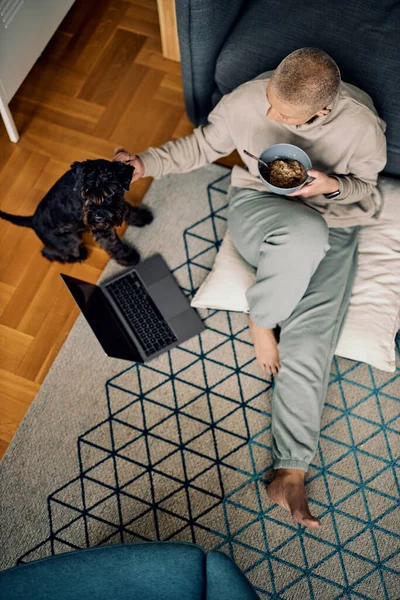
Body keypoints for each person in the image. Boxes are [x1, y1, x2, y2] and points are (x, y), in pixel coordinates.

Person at [114, 48, 387, 528]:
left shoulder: (362, 124)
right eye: (270, 102)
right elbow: (200, 146)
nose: (269, 116)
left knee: (311, 337)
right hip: (261, 209)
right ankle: (261, 317)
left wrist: (329, 186)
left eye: (284, 116)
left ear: (323, 112)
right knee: (305, 234)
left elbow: (366, 185)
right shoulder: (247, 101)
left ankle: (290, 470)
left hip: (338, 221)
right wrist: (143, 163)